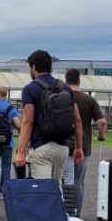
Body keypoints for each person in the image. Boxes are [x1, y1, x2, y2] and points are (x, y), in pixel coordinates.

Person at [15, 50, 83, 182]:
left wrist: (21, 152)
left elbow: (28, 121)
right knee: (56, 188)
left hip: (41, 147)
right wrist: (78, 148)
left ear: (34, 67)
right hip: (63, 147)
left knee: (43, 192)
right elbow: (77, 120)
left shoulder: (30, 89)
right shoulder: (65, 88)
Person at [61, 68, 108, 221]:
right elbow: (101, 122)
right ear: (79, 80)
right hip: (84, 147)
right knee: (78, 181)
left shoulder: (63, 96)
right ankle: (75, 215)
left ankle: (65, 213)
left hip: (65, 145)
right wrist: (101, 135)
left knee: (65, 180)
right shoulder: (89, 99)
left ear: (66, 80)